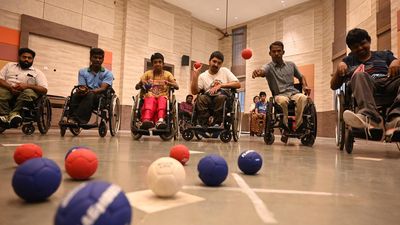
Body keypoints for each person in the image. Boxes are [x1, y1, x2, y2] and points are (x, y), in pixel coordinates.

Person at [330, 28, 400, 136]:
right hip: (366, 87)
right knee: (359, 75)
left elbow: (395, 60)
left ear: (369, 41)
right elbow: (333, 86)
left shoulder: (384, 55)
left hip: (388, 83)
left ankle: (395, 119)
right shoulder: (348, 61)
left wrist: (396, 62)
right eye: (355, 46)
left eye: (363, 44)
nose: (360, 48)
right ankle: (371, 118)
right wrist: (339, 69)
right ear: (350, 49)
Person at [252, 41, 311, 131]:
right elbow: (263, 71)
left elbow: (301, 76)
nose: (276, 53)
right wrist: (258, 72)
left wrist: (305, 86)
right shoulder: (268, 67)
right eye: (274, 51)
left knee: (303, 98)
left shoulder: (291, 65)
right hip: (280, 95)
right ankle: (285, 125)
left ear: (283, 52)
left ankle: (299, 125)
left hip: (293, 93)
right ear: (270, 53)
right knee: (283, 101)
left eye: (279, 51)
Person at [0, 48, 48, 128]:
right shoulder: (9, 66)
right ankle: (5, 115)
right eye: (24, 57)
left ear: (32, 60)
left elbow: (44, 90)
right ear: (19, 57)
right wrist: (10, 88)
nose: (26, 59)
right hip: (8, 90)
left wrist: (27, 86)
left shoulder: (38, 73)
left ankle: (15, 114)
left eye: (29, 58)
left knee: (28, 92)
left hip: (25, 93)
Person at [191, 51, 241, 126]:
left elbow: (238, 84)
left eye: (219, 63)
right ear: (209, 61)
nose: (216, 64)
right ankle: (204, 122)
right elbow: (194, 92)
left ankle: (217, 122)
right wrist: (195, 75)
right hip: (208, 99)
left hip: (223, 99)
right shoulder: (203, 76)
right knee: (200, 98)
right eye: (214, 61)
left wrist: (220, 86)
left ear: (221, 64)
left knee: (220, 97)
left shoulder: (225, 71)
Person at [68, 48, 113, 125]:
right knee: (75, 94)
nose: (98, 60)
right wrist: (81, 90)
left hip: (100, 97)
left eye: (100, 58)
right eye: (95, 57)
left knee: (90, 94)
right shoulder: (82, 71)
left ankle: (78, 120)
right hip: (86, 94)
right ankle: (70, 117)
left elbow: (102, 88)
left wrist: (89, 91)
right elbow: (83, 86)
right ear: (90, 58)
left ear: (103, 59)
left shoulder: (108, 73)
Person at [140, 53, 179, 129]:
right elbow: (137, 86)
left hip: (163, 96)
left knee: (161, 100)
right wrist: (142, 82)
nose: (158, 64)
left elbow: (177, 86)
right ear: (152, 64)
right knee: (150, 99)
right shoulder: (147, 74)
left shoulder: (168, 74)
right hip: (150, 96)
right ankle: (146, 120)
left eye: (160, 62)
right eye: (155, 62)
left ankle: (160, 120)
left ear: (163, 64)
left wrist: (168, 83)